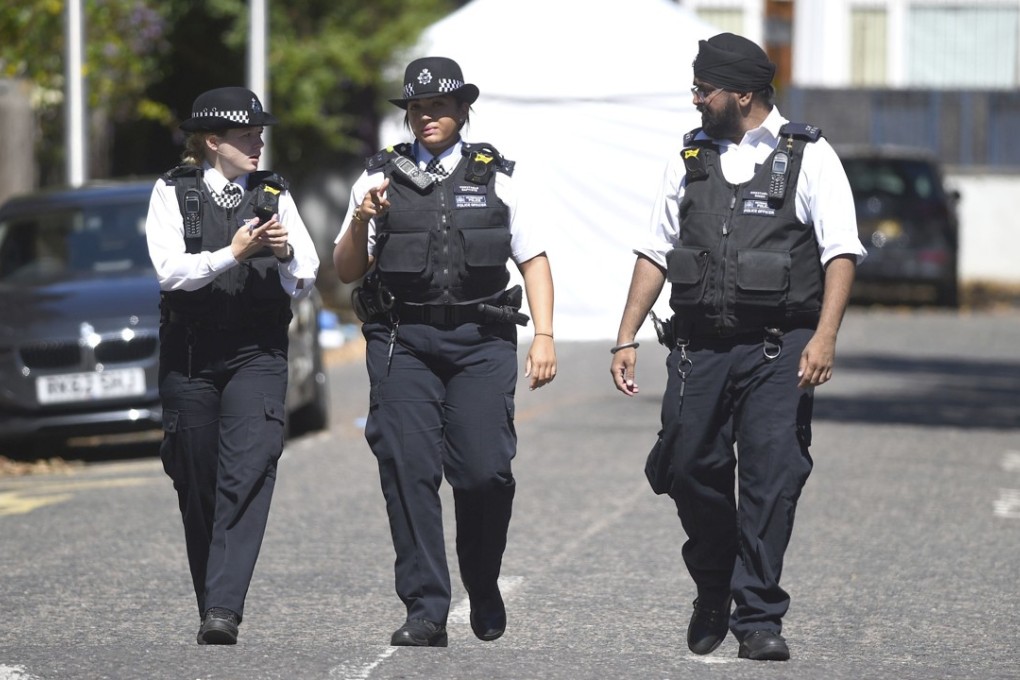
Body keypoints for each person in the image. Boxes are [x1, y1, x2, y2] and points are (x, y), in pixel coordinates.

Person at [610, 34, 866, 661]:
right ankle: (713, 581)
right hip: (698, 346)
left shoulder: (810, 156)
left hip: (779, 349)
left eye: (705, 90)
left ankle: (757, 617)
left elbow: (841, 251)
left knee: (771, 477)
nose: (696, 99)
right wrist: (626, 335)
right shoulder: (689, 157)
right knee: (685, 465)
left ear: (742, 94)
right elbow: (654, 250)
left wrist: (826, 336)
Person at [333, 56, 556, 647]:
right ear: (407, 115)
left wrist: (546, 338)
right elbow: (346, 268)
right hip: (403, 340)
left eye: (439, 106)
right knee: (407, 469)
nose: (427, 116)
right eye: (417, 108)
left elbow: (533, 259)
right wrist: (362, 220)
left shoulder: (498, 175)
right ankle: (426, 609)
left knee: (484, 473)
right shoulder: (377, 180)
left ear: (462, 110)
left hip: (481, 339)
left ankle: (482, 581)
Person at [145, 86, 320, 645]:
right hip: (190, 354)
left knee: (249, 470)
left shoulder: (274, 193)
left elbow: (309, 270)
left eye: (260, 133)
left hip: (257, 353)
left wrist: (286, 252)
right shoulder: (172, 192)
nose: (258, 142)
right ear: (213, 142)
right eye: (247, 135)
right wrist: (234, 253)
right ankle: (213, 599)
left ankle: (223, 608)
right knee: (197, 480)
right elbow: (170, 273)